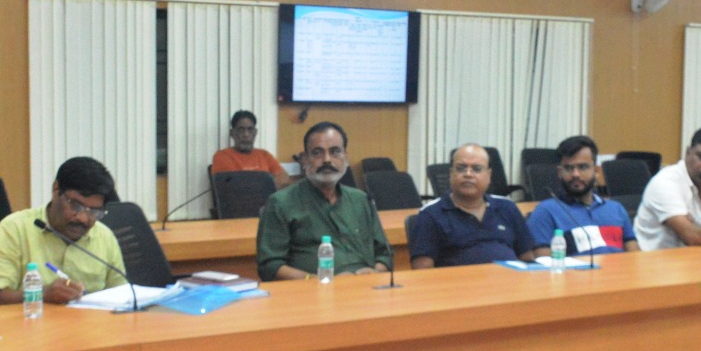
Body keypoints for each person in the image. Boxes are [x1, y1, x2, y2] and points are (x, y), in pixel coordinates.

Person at [0, 156, 126, 306]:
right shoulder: (14, 228)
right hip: (32, 319)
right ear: (56, 190)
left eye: (94, 212)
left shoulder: (105, 237)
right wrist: (42, 294)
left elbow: (123, 296)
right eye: (76, 206)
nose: (82, 218)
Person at [256, 122, 391, 280]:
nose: (327, 160)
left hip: (365, 287)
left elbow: (384, 254)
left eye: (335, 152)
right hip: (311, 290)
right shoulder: (281, 203)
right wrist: (318, 281)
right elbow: (270, 266)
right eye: (317, 153)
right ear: (305, 160)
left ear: (345, 158)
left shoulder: (361, 200)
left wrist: (376, 272)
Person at [410, 144, 538, 268]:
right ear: (451, 174)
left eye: (477, 169)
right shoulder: (431, 215)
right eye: (461, 168)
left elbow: (527, 258)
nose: (468, 174)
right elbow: (422, 272)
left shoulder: (507, 207)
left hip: (509, 281)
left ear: (489, 176)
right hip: (459, 282)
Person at [526, 135, 638, 256]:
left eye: (583, 167)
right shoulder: (545, 212)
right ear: (560, 172)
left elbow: (635, 257)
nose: (576, 174)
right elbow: (544, 263)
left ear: (596, 171)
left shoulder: (616, 209)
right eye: (569, 168)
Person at [212, 110, 291, 189]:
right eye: (241, 130)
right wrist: (267, 183)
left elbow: (284, 180)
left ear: (255, 133)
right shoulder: (222, 156)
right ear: (232, 133)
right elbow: (232, 187)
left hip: (266, 196)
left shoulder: (264, 155)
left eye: (250, 129)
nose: (246, 134)